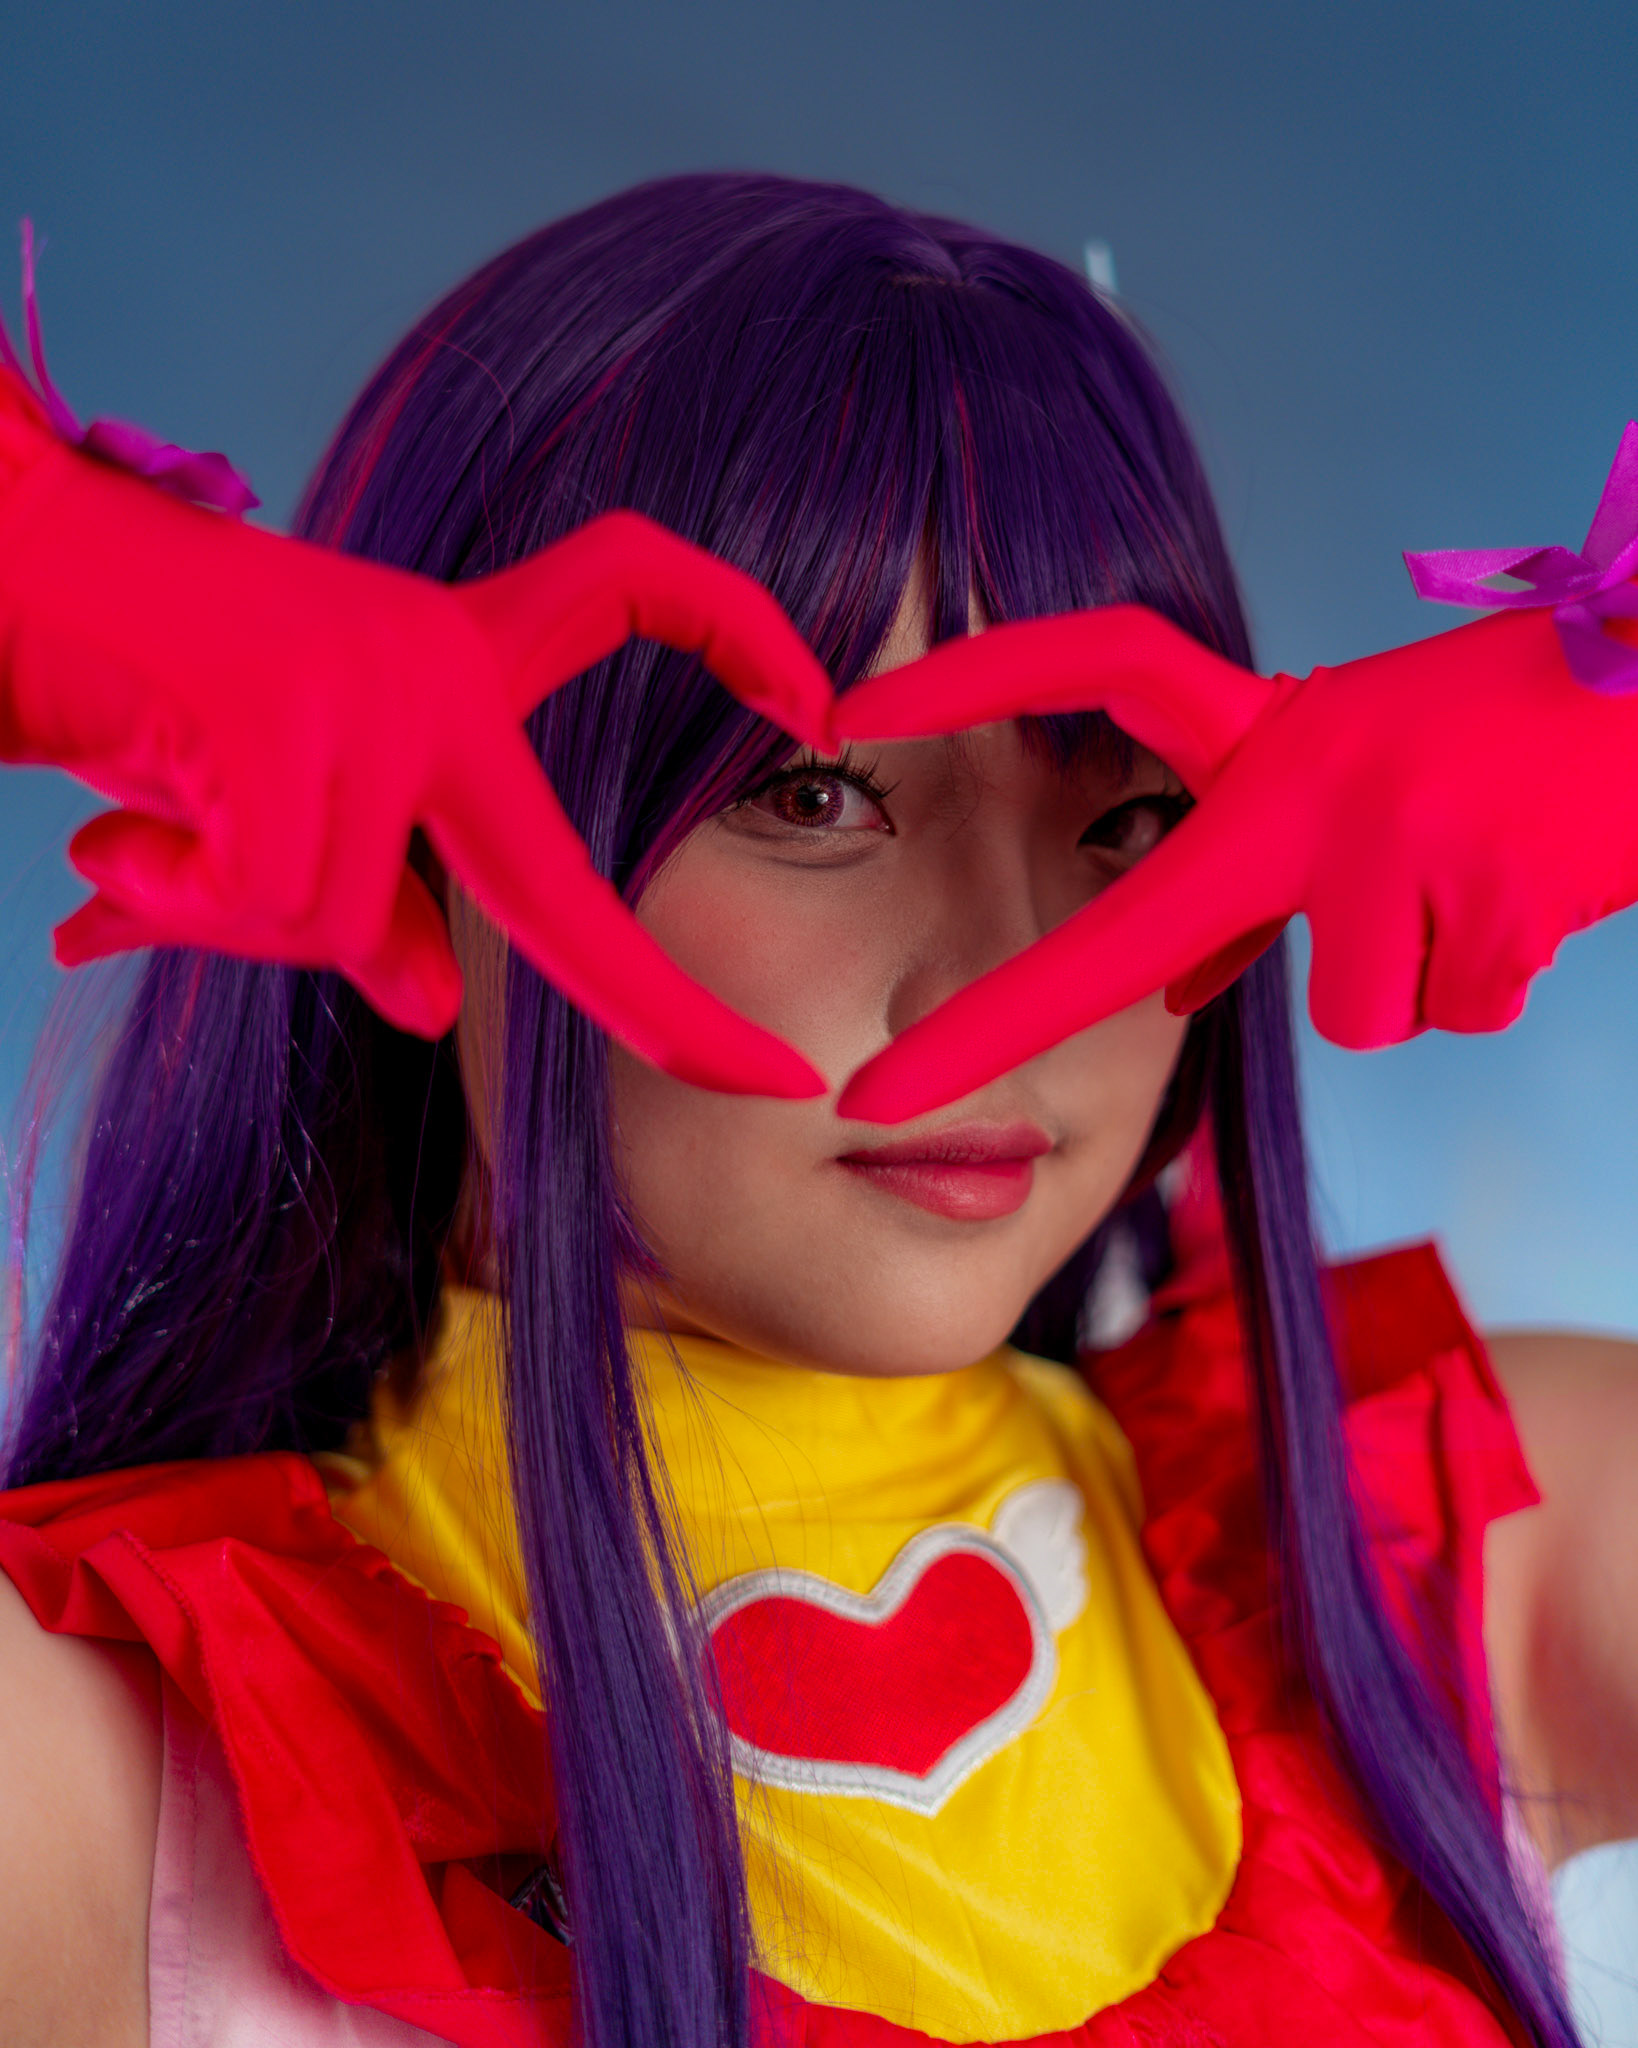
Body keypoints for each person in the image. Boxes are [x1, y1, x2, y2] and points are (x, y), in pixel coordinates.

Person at [0, 171, 1633, 2048]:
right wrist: (66, 577)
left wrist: (1604, 710)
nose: (1003, 986)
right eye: (815, 797)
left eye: (1126, 818)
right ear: (425, 830)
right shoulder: (104, 1773)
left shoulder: (1443, 1548)